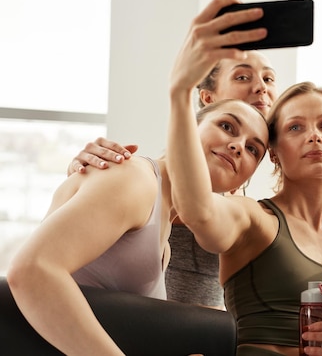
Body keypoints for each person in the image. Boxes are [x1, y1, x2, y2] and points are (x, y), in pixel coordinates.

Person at [168, 16, 322, 355]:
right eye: (296, 128)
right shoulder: (253, 218)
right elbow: (198, 209)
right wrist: (179, 94)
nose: (314, 135)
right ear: (275, 153)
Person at [6, 97, 270, 355]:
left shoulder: (163, 237)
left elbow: (127, 326)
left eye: (252, 149)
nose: (237, 145)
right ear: (186, 131)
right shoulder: (137, 180)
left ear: (239, 184)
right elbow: (31, 269)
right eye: (226, 126)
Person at [66, 29, 279, 311]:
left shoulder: (249, 218)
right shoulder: (142, 184)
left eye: (268, 79)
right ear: (208, 99)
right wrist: (82, 181)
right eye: (242, 76)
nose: (261, 88)